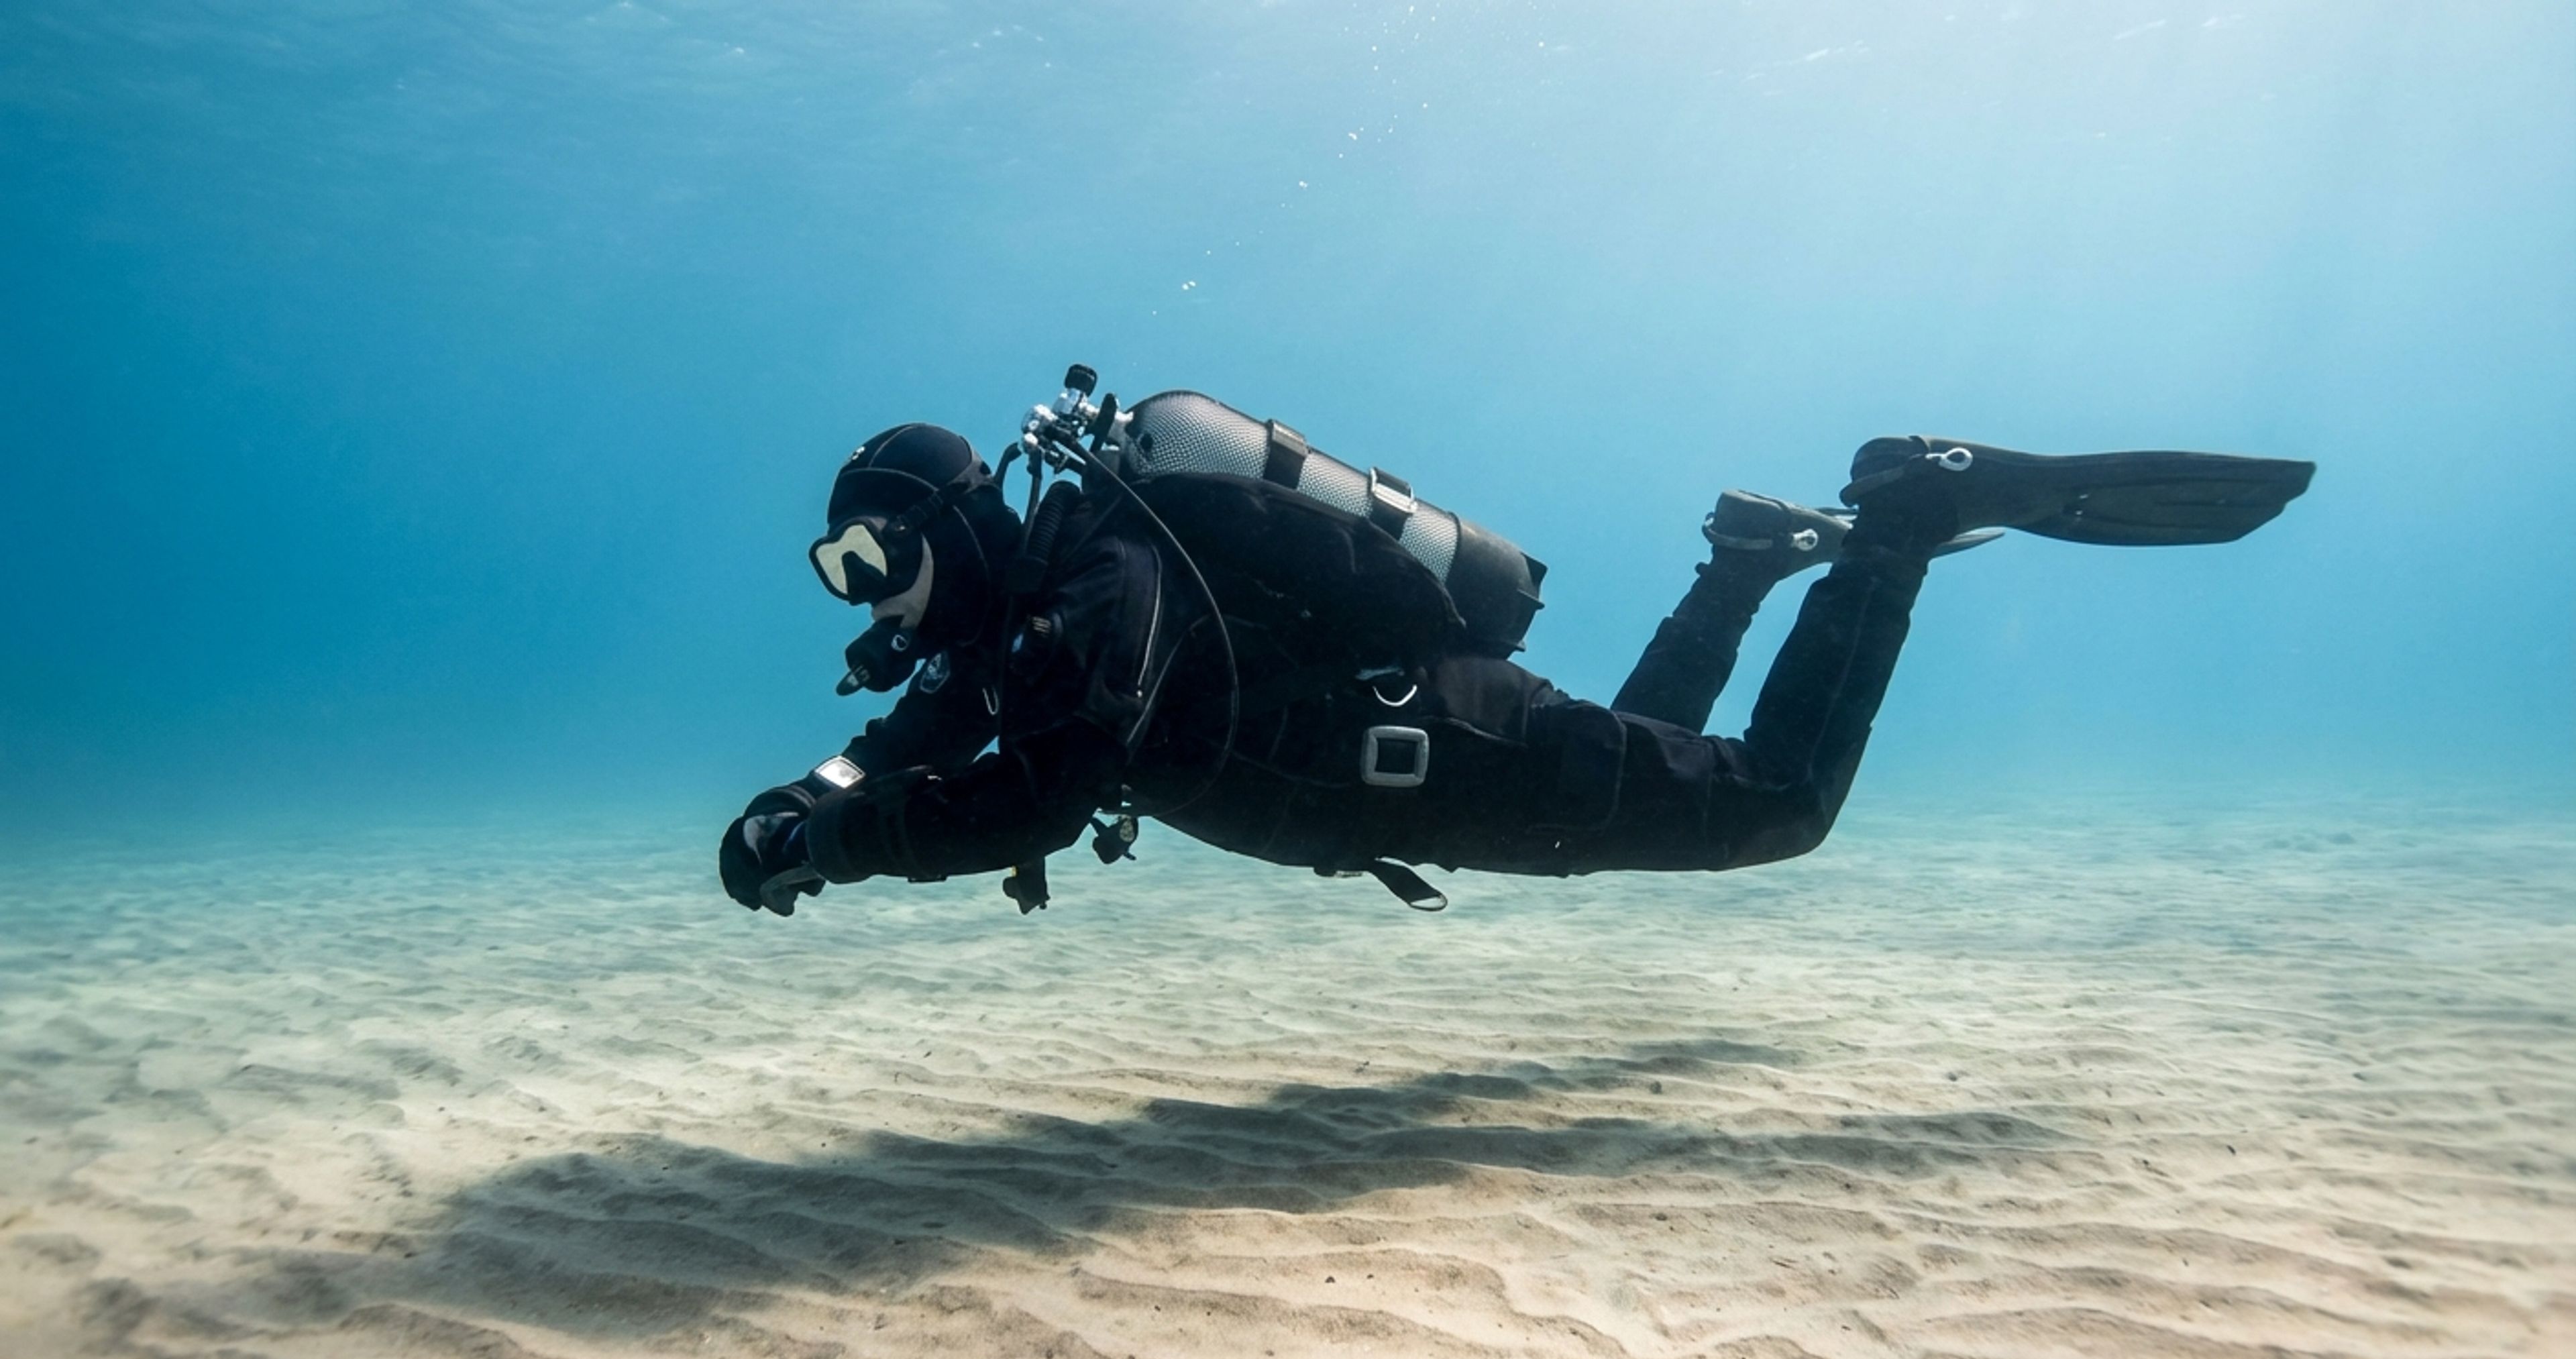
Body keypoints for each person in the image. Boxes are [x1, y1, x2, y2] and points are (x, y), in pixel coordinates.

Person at [719, 377, 2311, 915]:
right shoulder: (1010, 631)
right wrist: (805, 799)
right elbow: (917, 735)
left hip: (1444, 746)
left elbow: (1045, 794)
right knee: (1631, 774)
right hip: (1437, 756)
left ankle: (1897, 522)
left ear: (957, 525)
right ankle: (1744, 569)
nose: (867, 595)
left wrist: (840, 846)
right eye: (841, 569)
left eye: (878, 557)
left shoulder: (1099, 577)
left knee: (1775, 804)